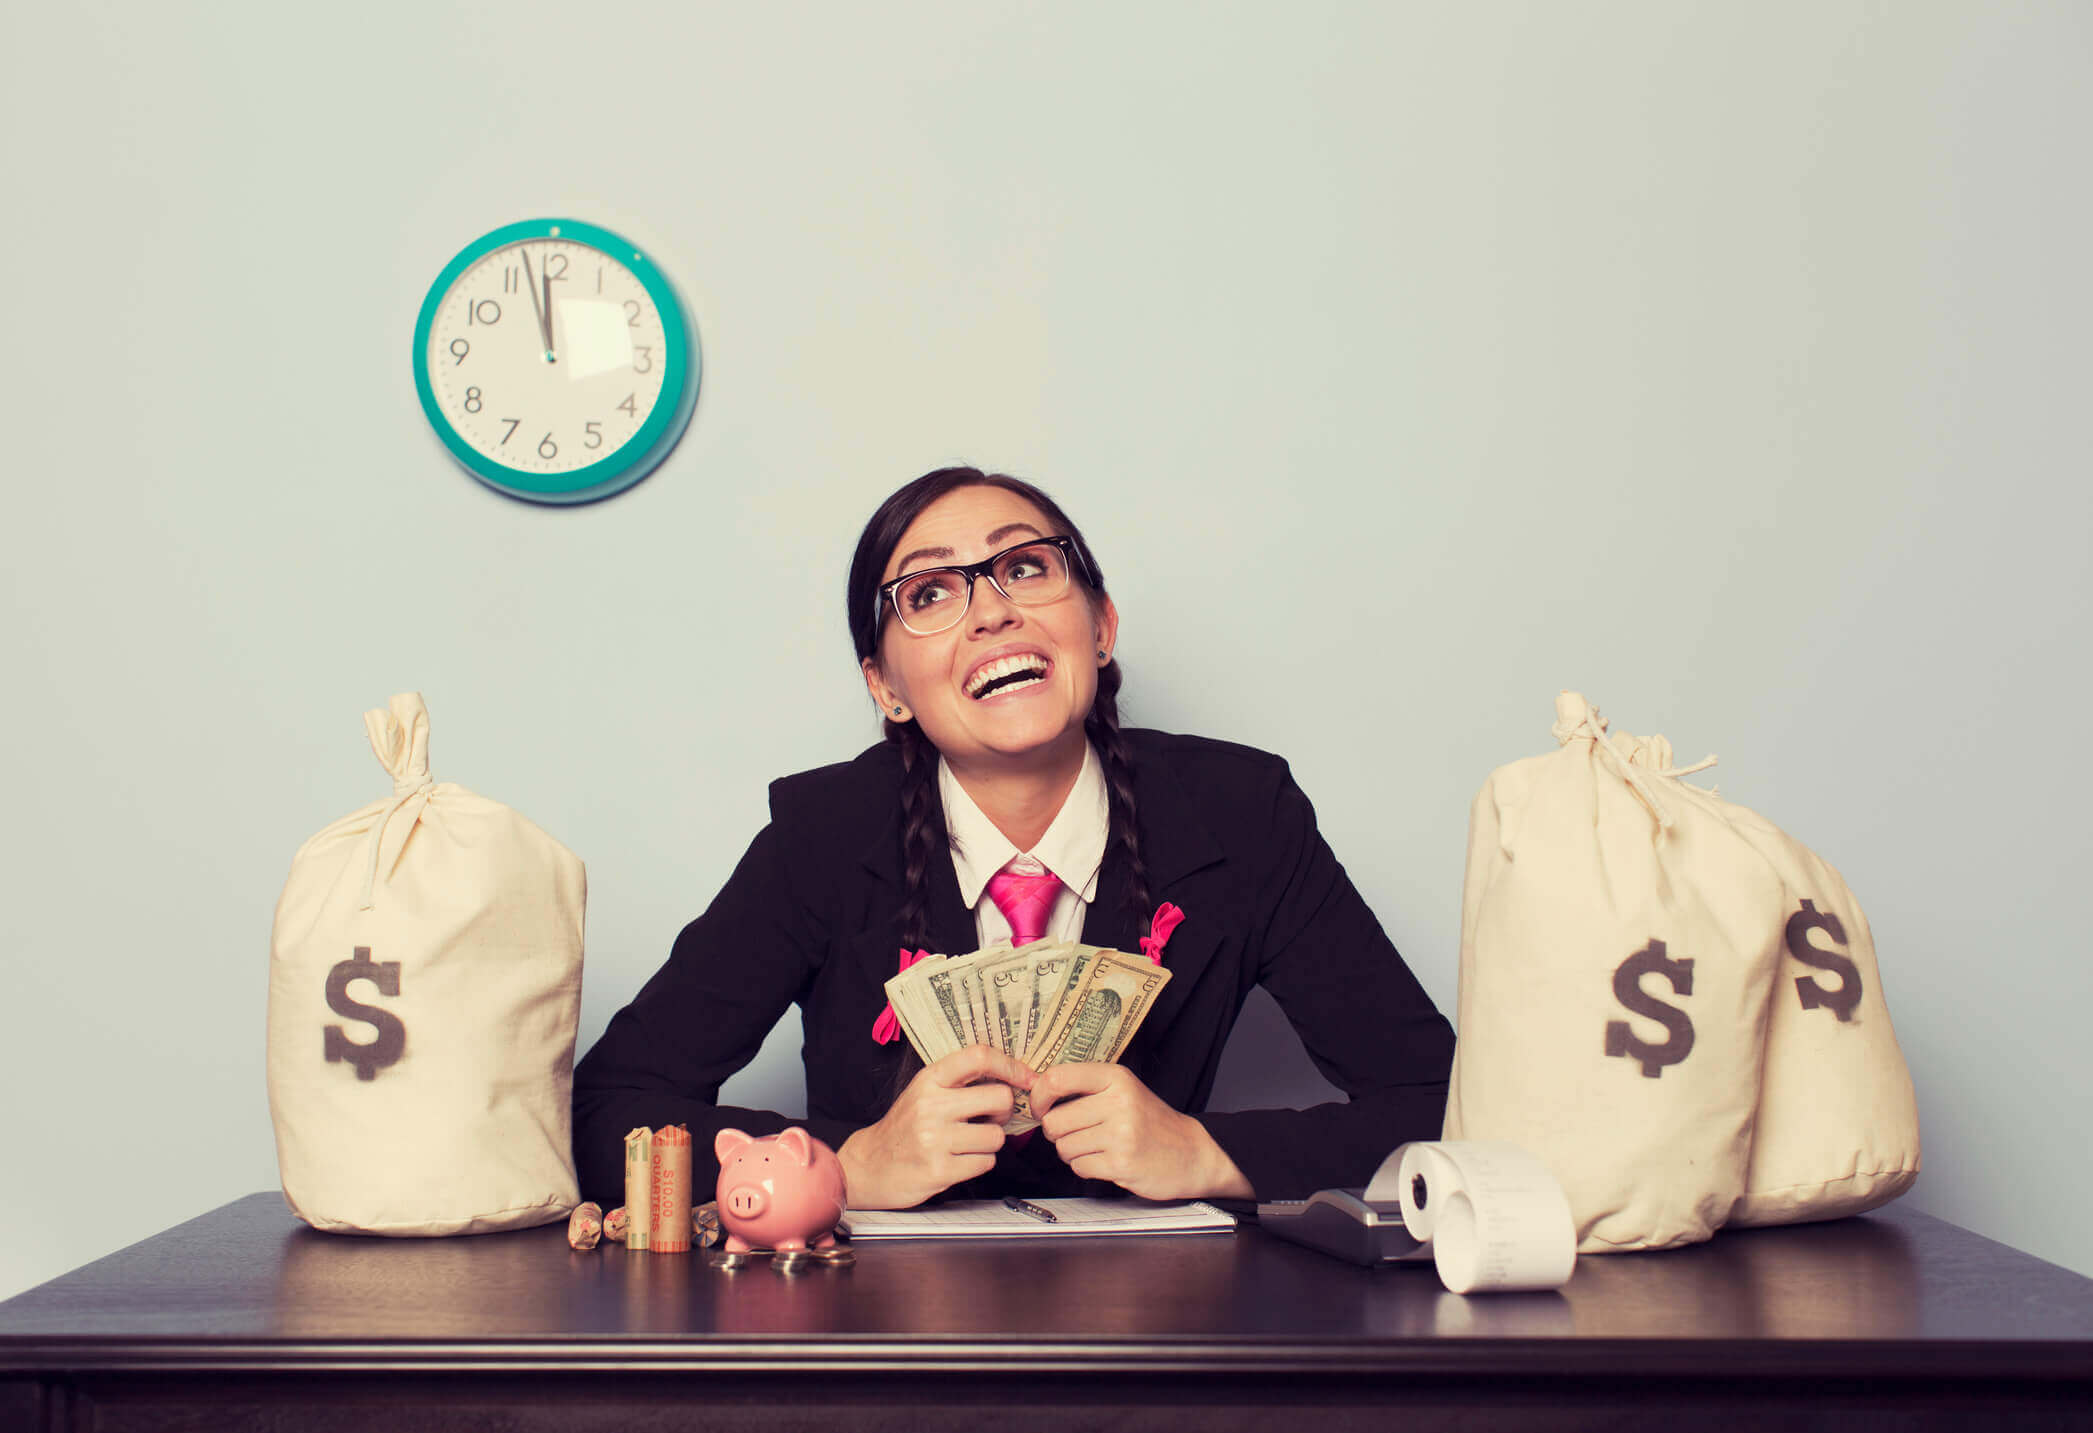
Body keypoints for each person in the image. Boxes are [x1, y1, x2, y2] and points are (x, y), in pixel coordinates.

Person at [571, 467, 1454, 1209]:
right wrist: (852, 1163)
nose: (990, 612)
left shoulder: (1239, 812)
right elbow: (614, 1109)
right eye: (928, 593)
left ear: (1099, 627)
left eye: (1025, 568)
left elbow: (1443, 1099)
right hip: (882, 1347)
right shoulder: (823, 838)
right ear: (886, 689)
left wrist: (1202, 1153)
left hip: (1161, 1340)